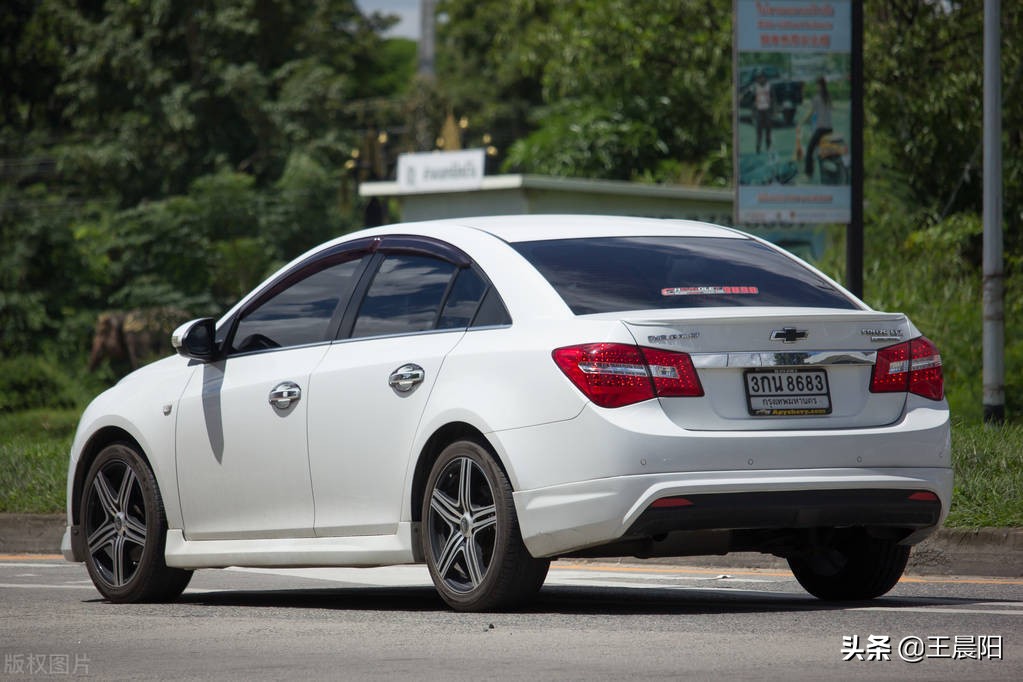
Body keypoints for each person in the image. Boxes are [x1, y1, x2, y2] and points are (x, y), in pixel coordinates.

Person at [801, 76, 833, 179]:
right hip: (829, 128)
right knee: (819, 147)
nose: (816, 87)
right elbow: (830, 108)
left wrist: (802, 121)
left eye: (817, 85)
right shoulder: (828, 96)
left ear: (819, 86)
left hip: (821, 129)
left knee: (810, 149)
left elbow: (811, 112)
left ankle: (808, 173)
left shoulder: (816, 98)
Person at [753, 70, 772, 154]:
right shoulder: (755, 86)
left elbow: (773, 98)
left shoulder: (769, 86)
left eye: (762, 77)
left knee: (768, 130)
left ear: (764, 78)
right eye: (759, 78)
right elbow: (752, 99)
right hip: (759, 110)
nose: (760, 79)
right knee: (759, 130)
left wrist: (774, 110)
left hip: (767, 109)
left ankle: (768, 147)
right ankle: (758, 147)